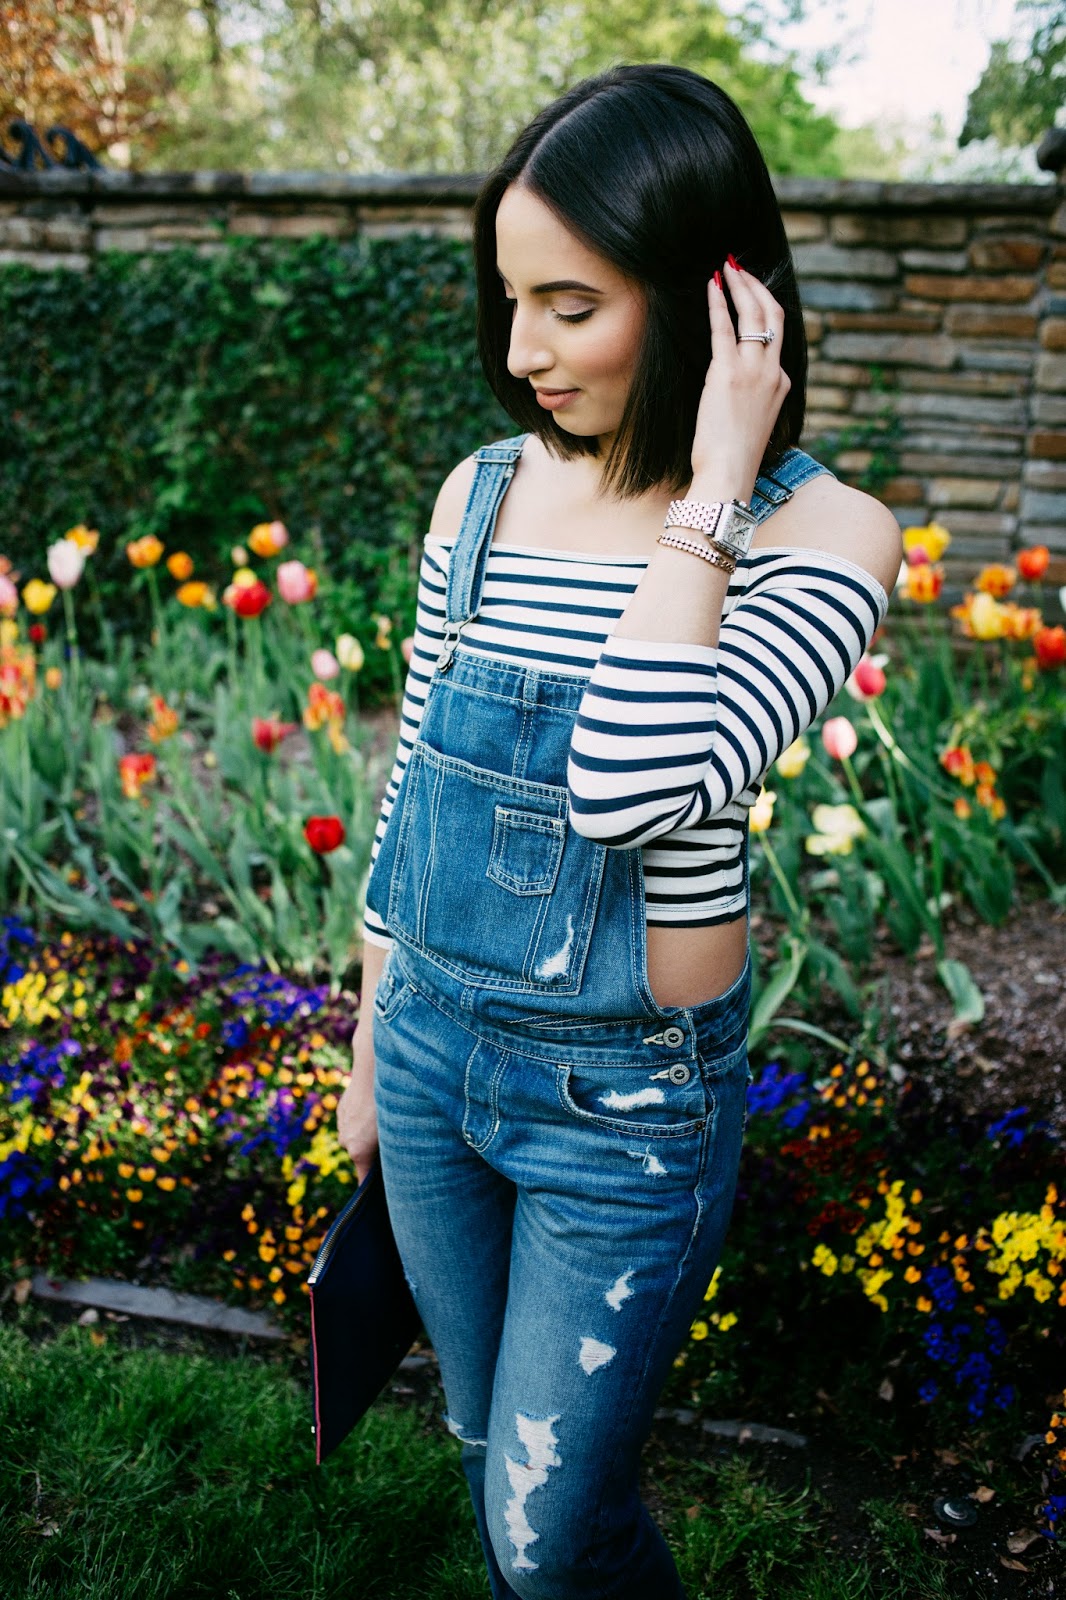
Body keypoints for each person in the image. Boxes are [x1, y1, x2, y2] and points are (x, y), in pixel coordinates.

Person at [337, 62, 902, 1599]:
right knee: (491, 1458)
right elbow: (415, 784)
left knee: (541, 1536)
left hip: (620, 1111)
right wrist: (374, 1037)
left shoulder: (822, 535)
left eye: (568, 305)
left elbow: (629, 787)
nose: (521, 351)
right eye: (508, 297)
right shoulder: (481, 491)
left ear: (713, 301)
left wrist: (710, 492)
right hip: (436, 1053)